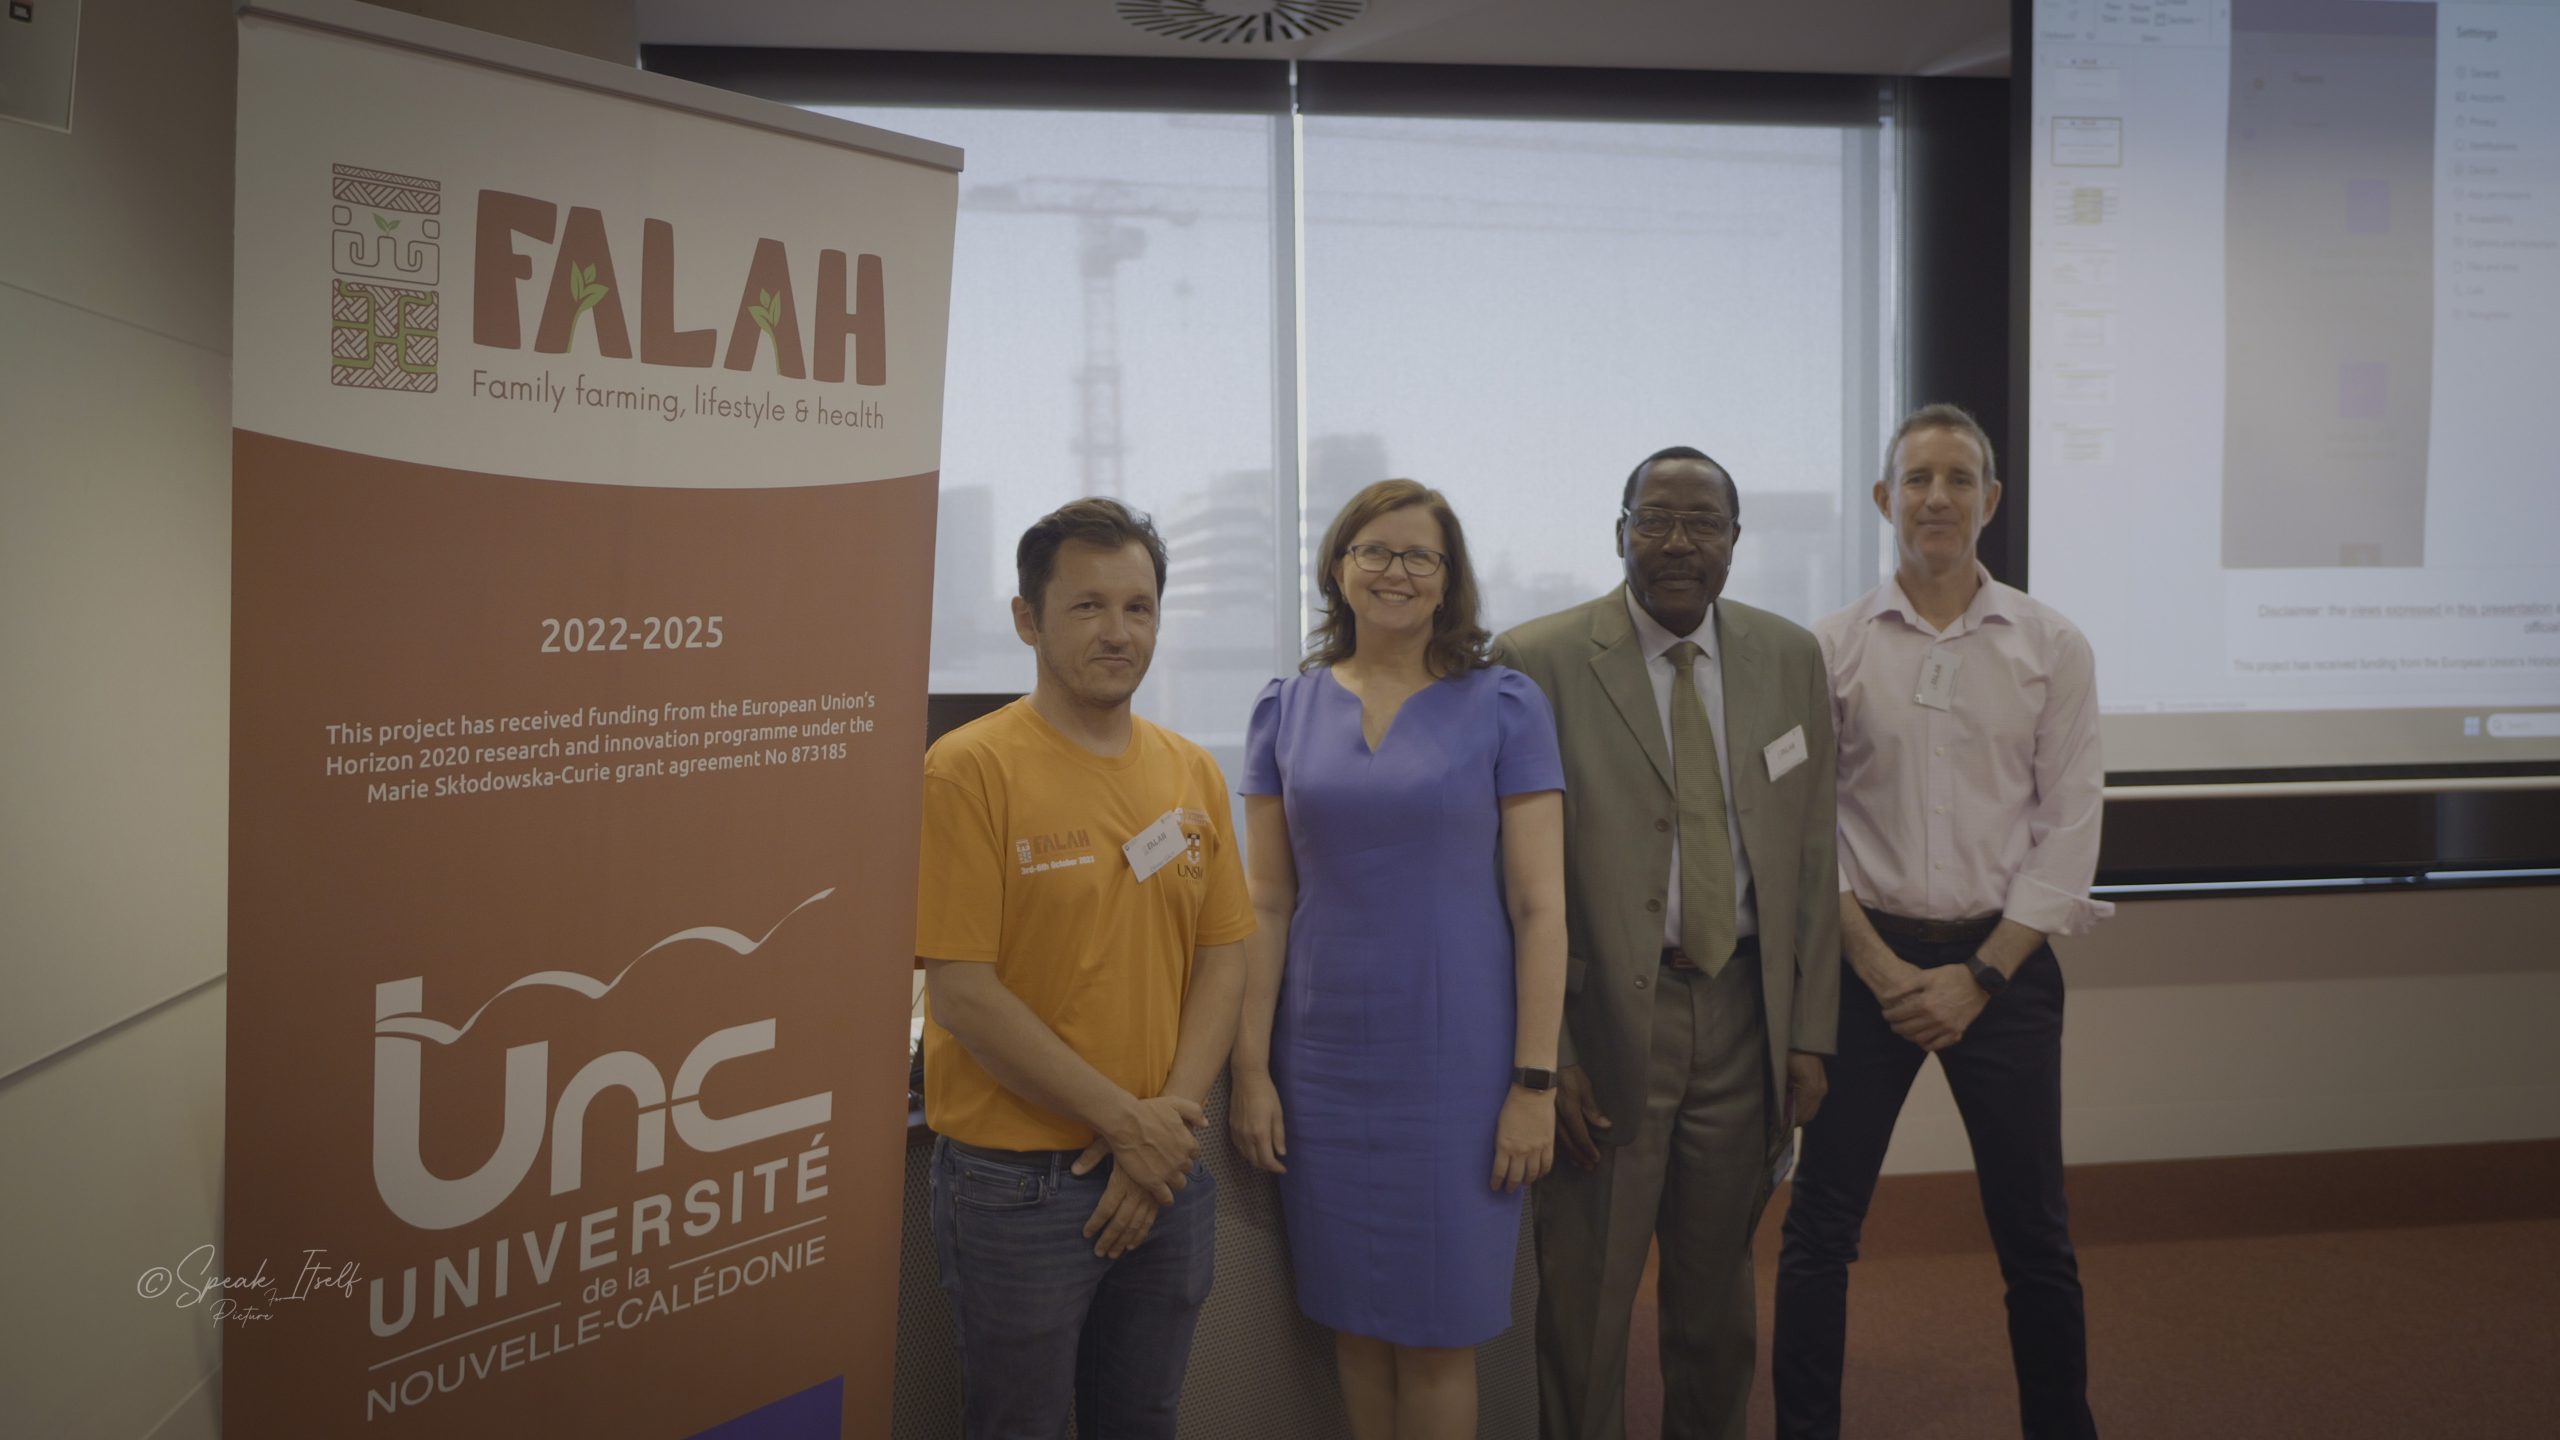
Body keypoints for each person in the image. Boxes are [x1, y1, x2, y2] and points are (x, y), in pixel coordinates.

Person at [1772, 403, 2110, 1440]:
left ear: (1990, 501)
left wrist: (1982, 975)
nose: (1937, 498)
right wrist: (1880, 971)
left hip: (2001, 971)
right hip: (1861, 966)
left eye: (1959, 479)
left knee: (2035, 1238)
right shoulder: (1828, 649)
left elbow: (2069, 831)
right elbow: (1805, 831)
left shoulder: (2052, 646)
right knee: (1819, 1233)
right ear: (1885, 499)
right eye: (1917, 479)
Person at [1494, 447, 1840, 1440]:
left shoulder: (1788, 657)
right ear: (1619, 533)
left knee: (1717, 1300)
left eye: (1703, 524)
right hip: (1602, 1023)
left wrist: (1808, 1031)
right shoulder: (1537, 661)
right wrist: (1549, 1052)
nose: (1679, 543)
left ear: (1735, 541)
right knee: (1586, 1305)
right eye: (1655, 521)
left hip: (1744, 1016)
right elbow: (1504, 881)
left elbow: (1813, 849)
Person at [1227, 479, 1568, 1440]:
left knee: (1436, 1337)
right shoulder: (1285, 711)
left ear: (1448, 579)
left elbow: (1541, 907)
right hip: (1323, 1066)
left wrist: (1534, 1084)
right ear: (1338, 567)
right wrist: (1250, 1069)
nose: (1396, 571)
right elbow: (1266, 902)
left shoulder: (1504, 705)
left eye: (1420, 555)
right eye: (1374, 550)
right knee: (1355, 1325)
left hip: (1458, 1072)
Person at [914, 497, 1254, 1440]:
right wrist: (1125, 1124)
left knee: (1143, 1418)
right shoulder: (968, 770)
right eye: (1088, 606)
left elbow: (1224, 955)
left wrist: (1164, 1127)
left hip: (1166, 1168)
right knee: (1018, 1424)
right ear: (1028, 620)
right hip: (1019, 1186)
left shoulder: (1191, 772)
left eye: (1138, 608)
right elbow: (963, 993)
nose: (1118, 632)